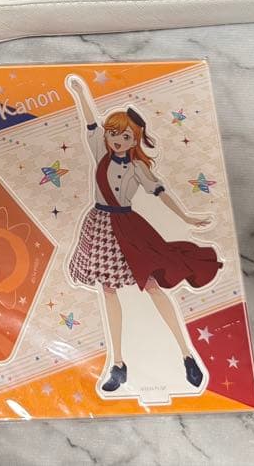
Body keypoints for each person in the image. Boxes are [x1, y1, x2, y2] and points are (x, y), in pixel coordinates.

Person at [64, 74, 221, 393]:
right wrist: (81, 93)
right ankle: (118, 364)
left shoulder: (138, 168)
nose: (117, 140)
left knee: (151, 286)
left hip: (128, 229)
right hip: (100, 226)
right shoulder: (100, 151)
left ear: (135, 140)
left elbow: (160, 193)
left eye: (125, 137)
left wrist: (186, 216)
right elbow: (90, 123)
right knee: (107, 289)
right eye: (113, 134)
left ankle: (187, 354)